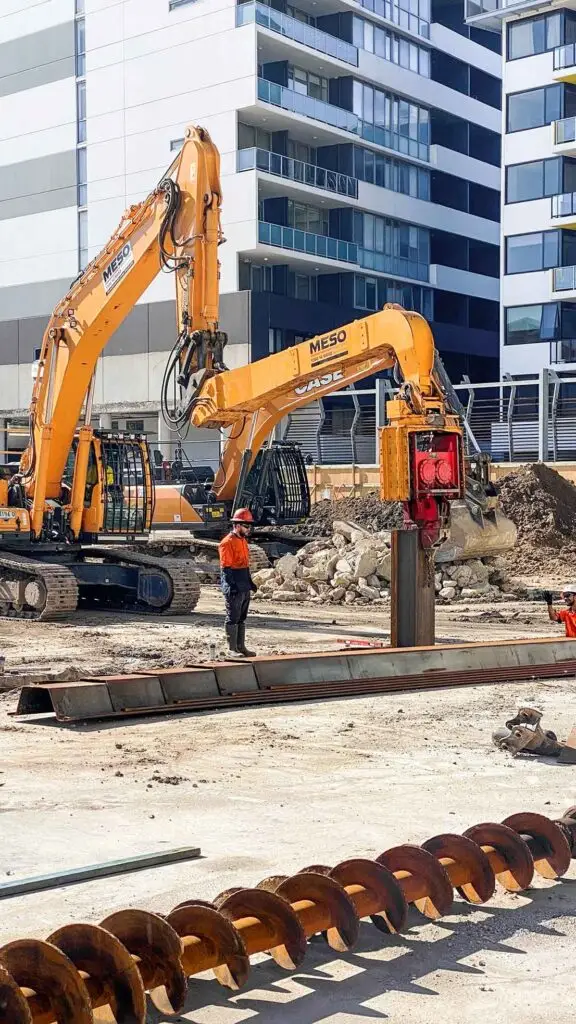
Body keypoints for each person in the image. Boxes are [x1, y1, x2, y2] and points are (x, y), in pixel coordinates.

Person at [218, 508, 258, 657]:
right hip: (233, 582)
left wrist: (249, 582)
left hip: (243, 583)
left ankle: (241, 647)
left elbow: (245, 564)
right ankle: (232, 649)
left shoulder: (242, 541)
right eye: (246, 526)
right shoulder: (226, 543)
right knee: (233, 616)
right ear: (237, 525)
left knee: (242, 616)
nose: (249, 529)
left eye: (249, 526)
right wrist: (231, 586)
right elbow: (226, 568)